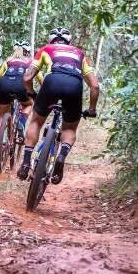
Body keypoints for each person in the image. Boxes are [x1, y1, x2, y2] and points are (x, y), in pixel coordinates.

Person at [17, 27, 100, 184]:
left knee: (36, 121)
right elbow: (95, 86)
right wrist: (92, 109)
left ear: (51, 40)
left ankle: (26, 163)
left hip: (52, 82)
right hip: (74, 85)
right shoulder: (80, 54)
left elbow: (27, 77)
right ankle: (61, 156)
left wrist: (31, 93)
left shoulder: (45, 49)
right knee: (69, 128)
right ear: (70, 42)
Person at [0, 41, 40, 153]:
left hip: (4, 87)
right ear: (27, 53)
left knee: (1, 115)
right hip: (21, 87)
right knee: (29, 104)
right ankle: (21, 123)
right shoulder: (31, 62)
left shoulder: (8, 61)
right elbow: (41, 80)